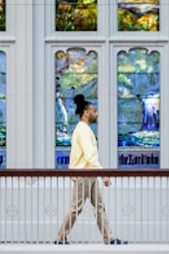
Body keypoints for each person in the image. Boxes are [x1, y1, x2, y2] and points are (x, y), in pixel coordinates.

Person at [55, 94, 124, 245]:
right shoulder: (83, 130)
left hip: (89, 174)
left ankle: (110, 238)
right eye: (94, 110)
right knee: (76, 208)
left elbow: (90, 157)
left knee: (99, 207)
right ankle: (60, 238)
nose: (96, 113)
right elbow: (90, 156)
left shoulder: (84, 129)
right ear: (86, 112)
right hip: (84, 174)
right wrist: (103, 174)